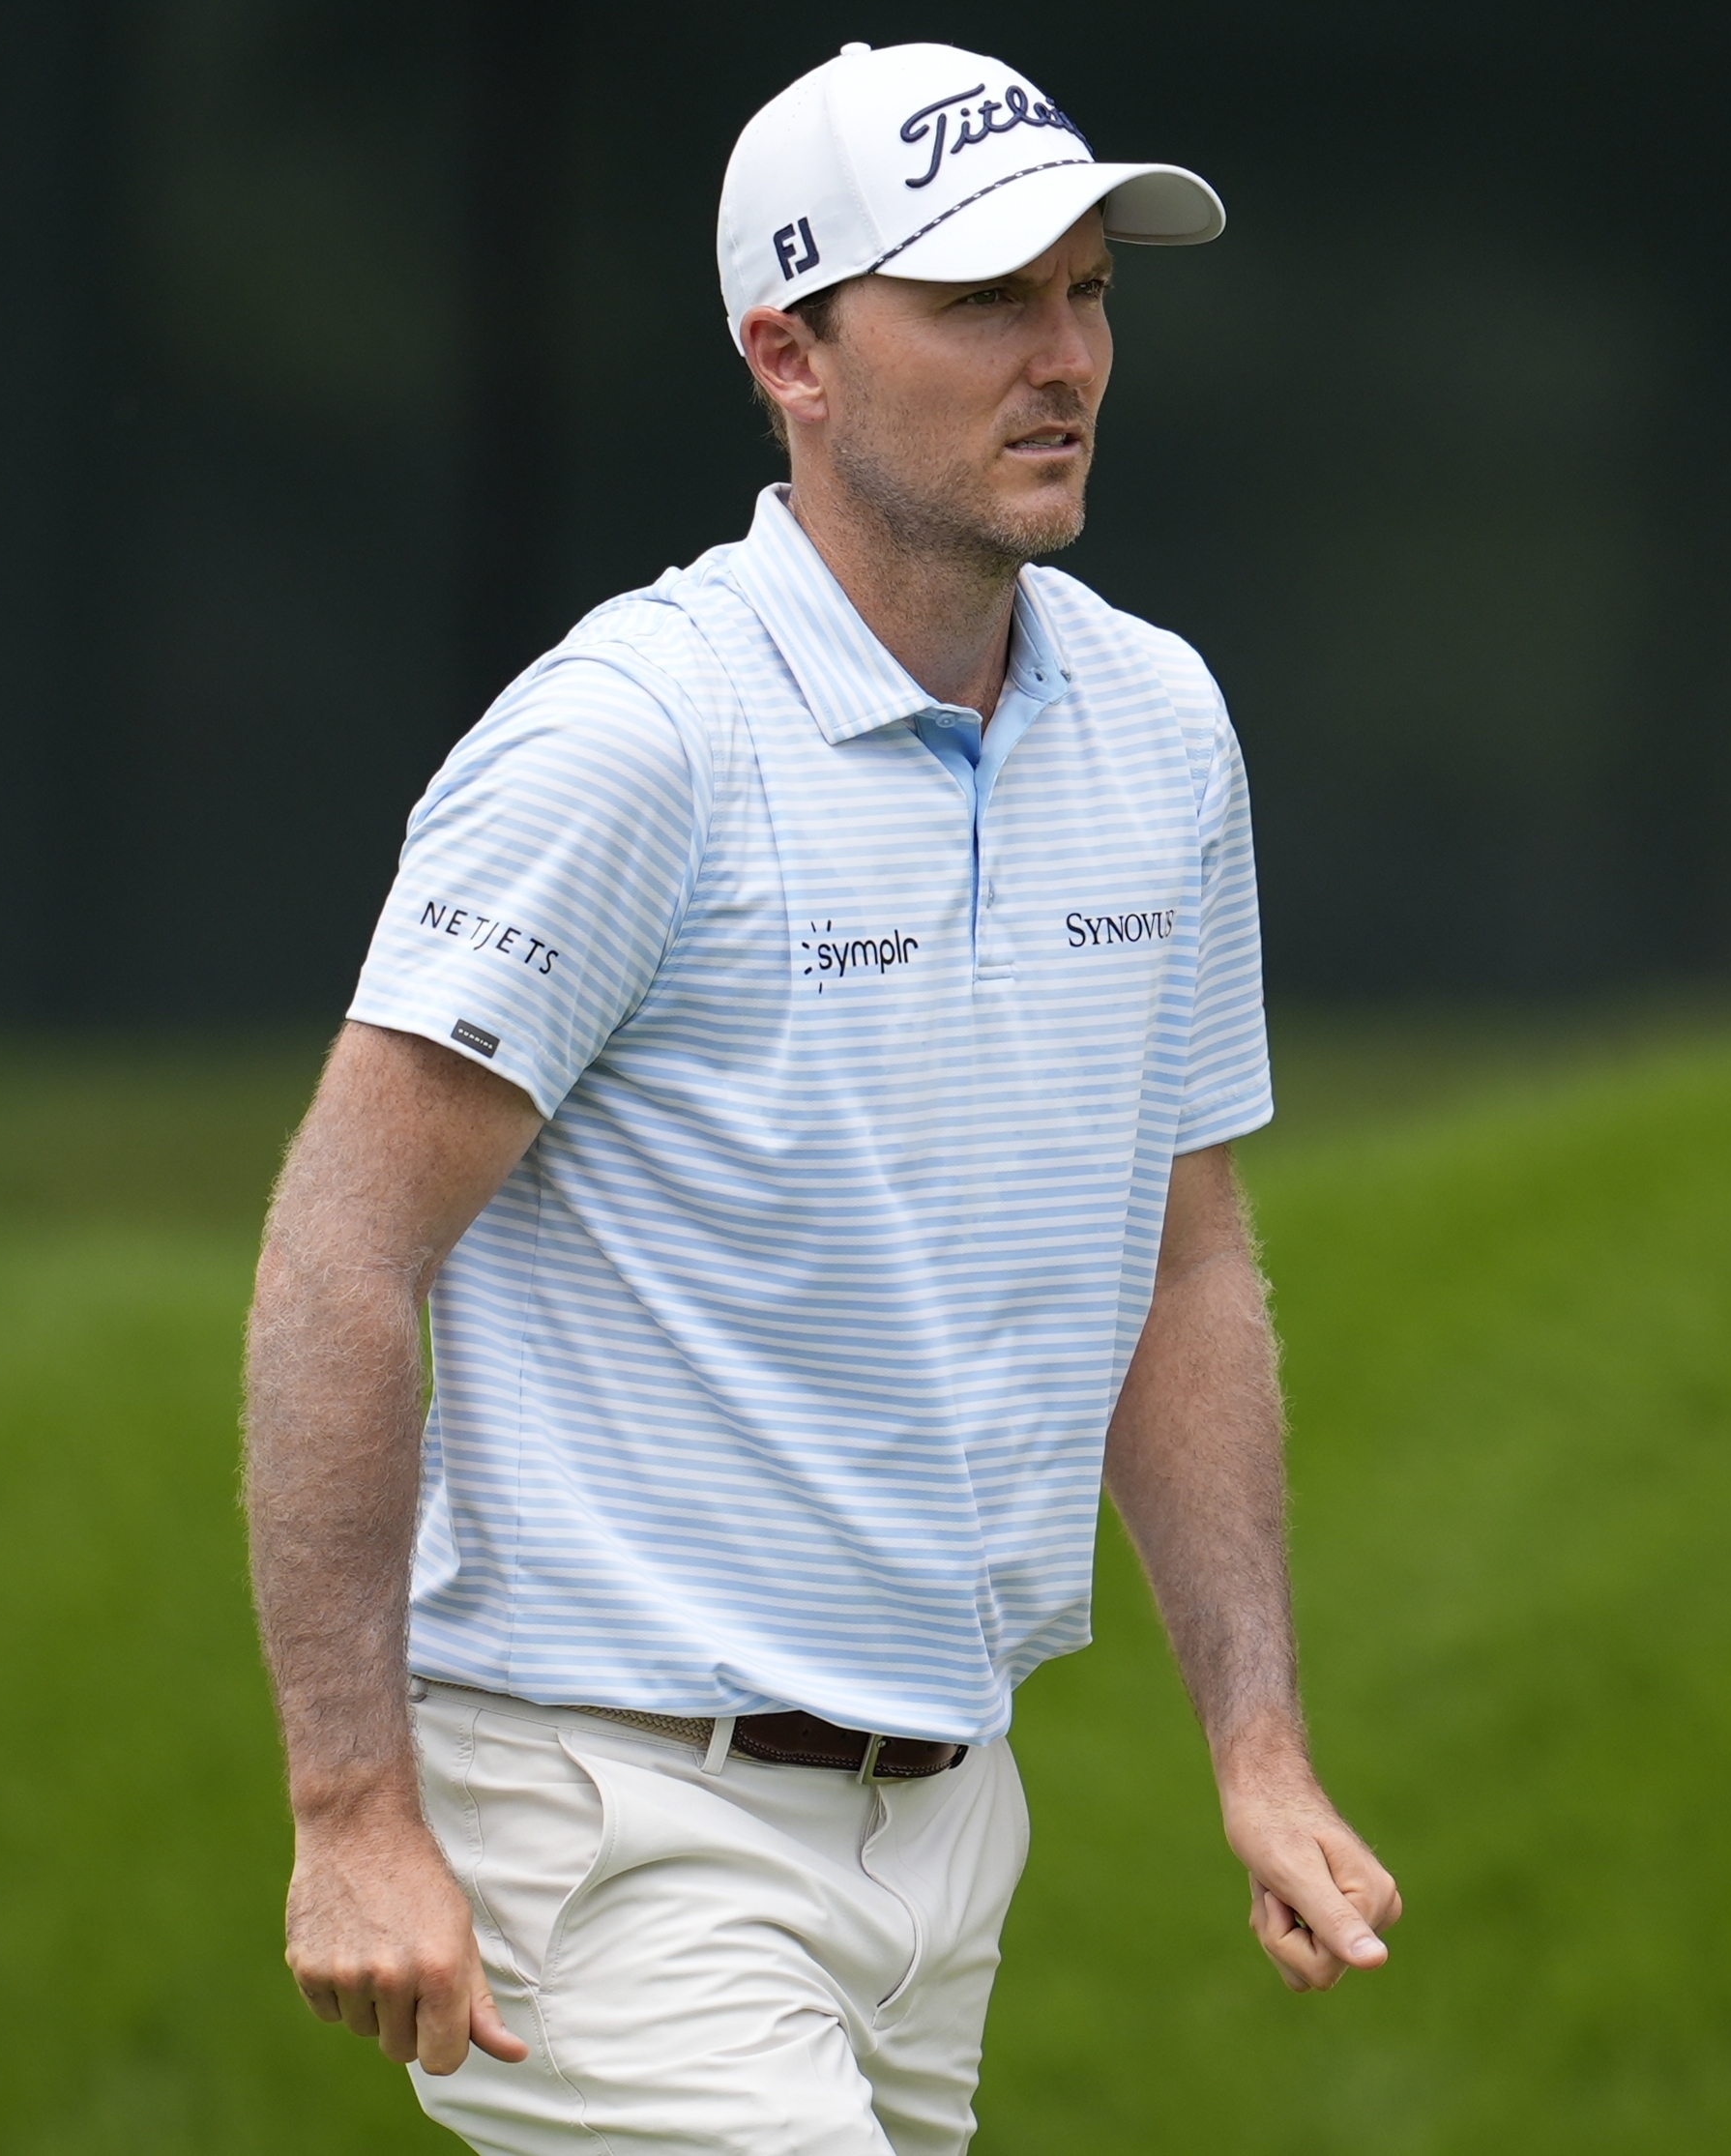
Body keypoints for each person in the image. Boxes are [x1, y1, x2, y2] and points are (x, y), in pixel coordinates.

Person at [242, 39, 1400, 2154]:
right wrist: (352, 1809)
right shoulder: (629, 741)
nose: (1060, 359)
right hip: (614, 1815)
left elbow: (1183, 1251)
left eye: (1085, 293)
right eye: (979, 303)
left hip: (952, 1825)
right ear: (790, 350)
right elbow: (341, 1250)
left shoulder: (1158, 723)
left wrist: (1255, 1738)